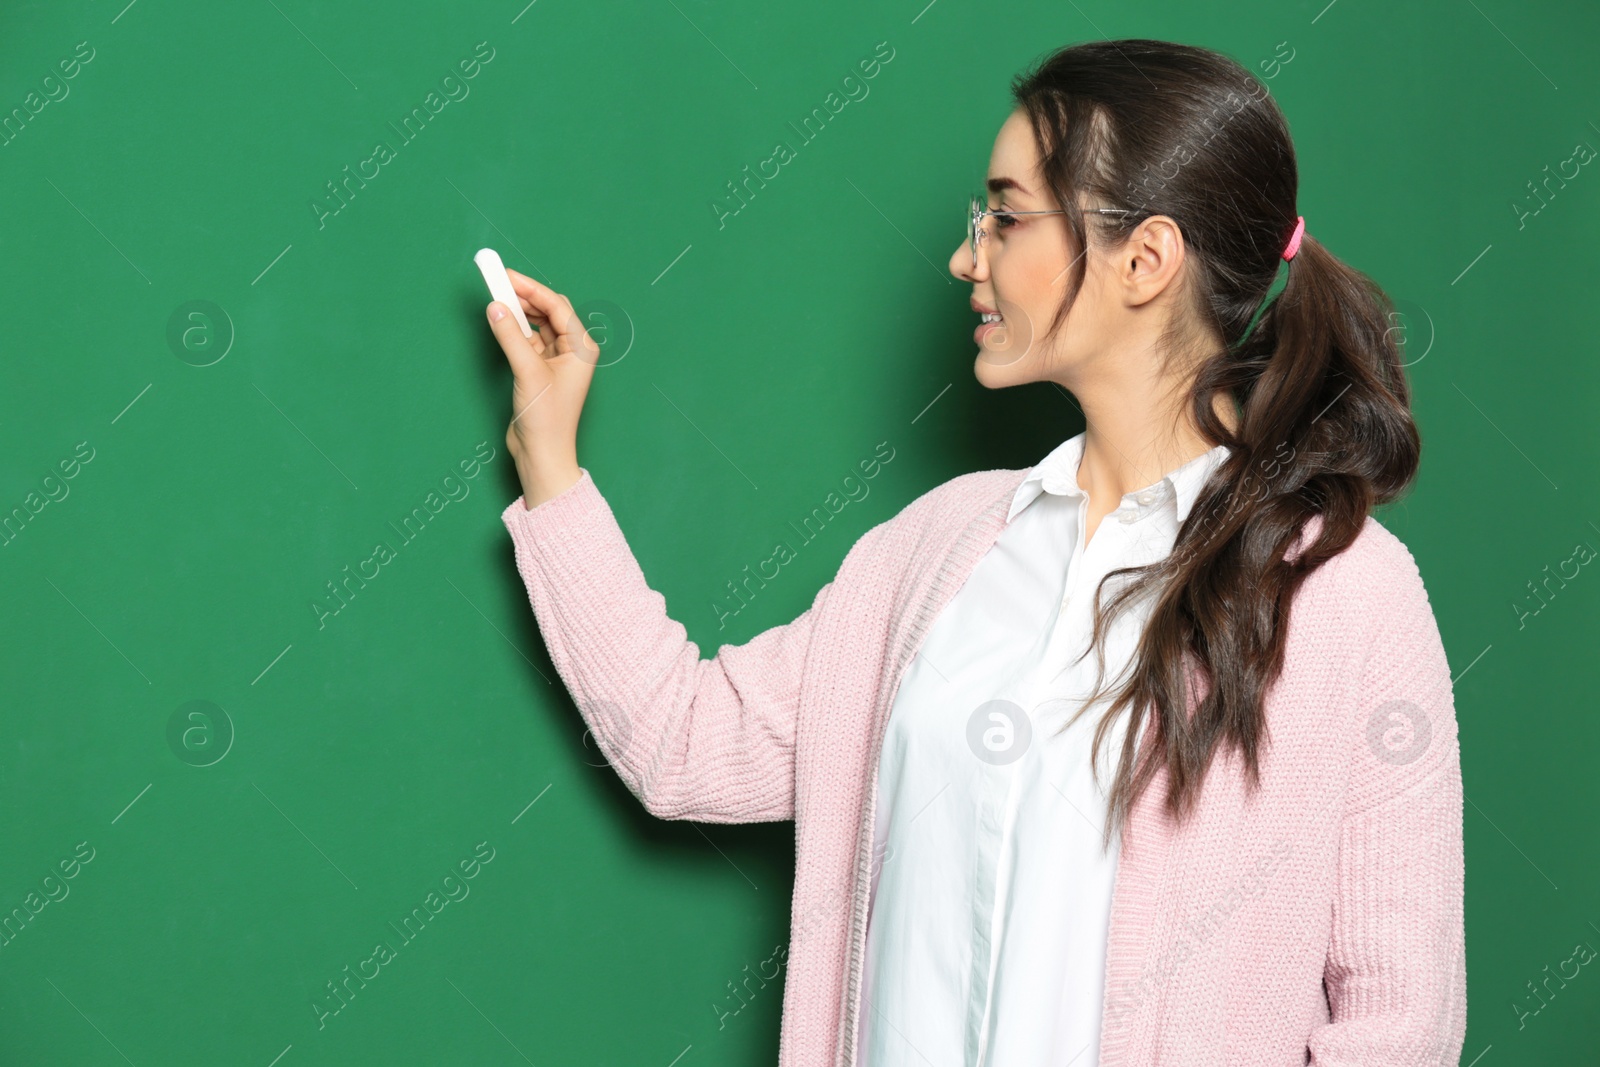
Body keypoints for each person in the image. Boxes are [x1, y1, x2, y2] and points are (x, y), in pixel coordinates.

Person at [482, 37, 1465, 1067]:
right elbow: (685, 742)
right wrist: (550, 465)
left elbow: (1399, 1024)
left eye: (1003, 215)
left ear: (1145, 258)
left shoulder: (1342, 591)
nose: (967, 256)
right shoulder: (937, 546)